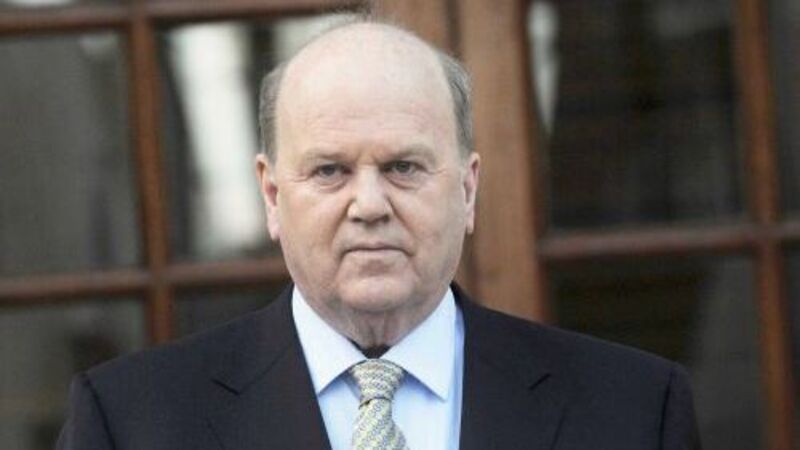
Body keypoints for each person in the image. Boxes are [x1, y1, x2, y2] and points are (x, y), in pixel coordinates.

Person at [57, 18, 701, 450]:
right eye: (329, 171)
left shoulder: (634, 410)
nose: (369, 205)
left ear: (468, 189)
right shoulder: (130, 421)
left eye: (404, 167)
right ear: (273, 197)